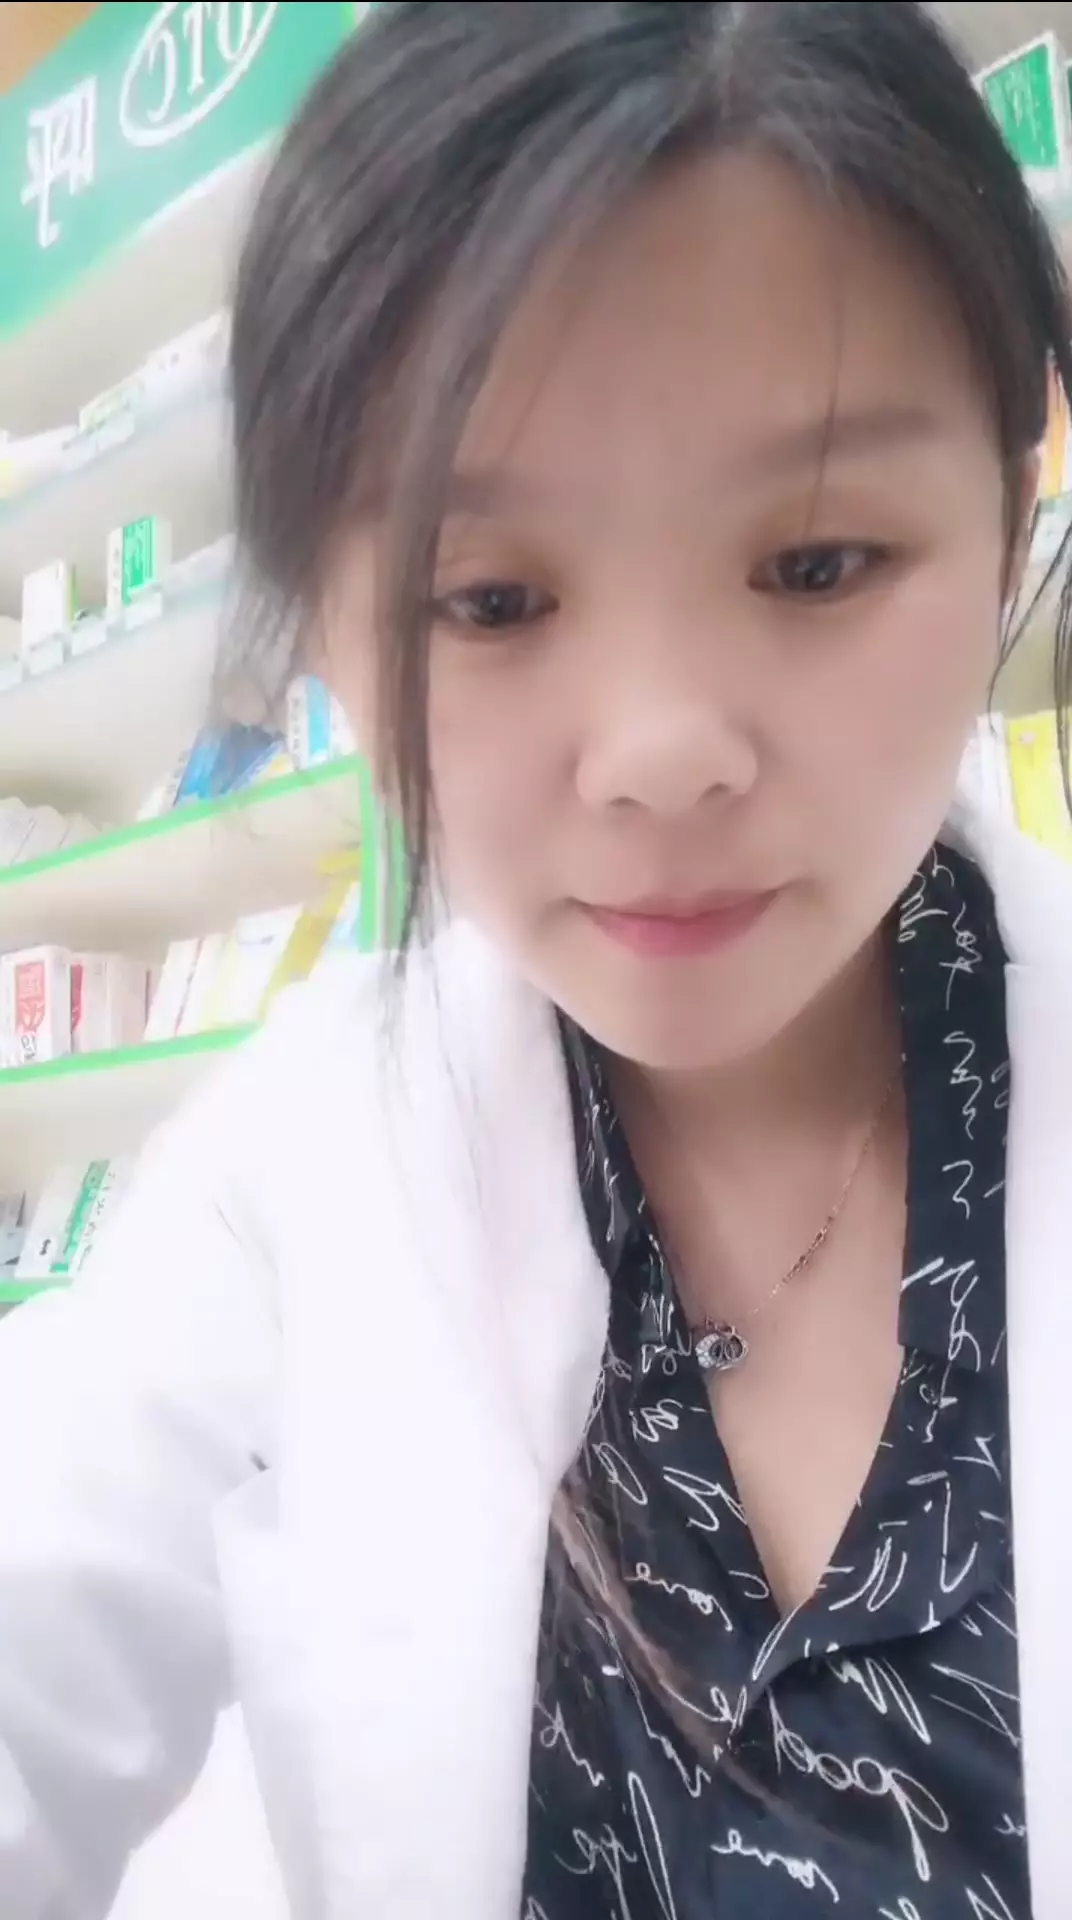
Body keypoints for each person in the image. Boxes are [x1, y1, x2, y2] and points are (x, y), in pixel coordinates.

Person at [0, 2, 1070, 1915]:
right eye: (492, 599)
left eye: (818, 563)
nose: (661, 751)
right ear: (327, 637)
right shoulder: (288, 1176)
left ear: (1010, 513)